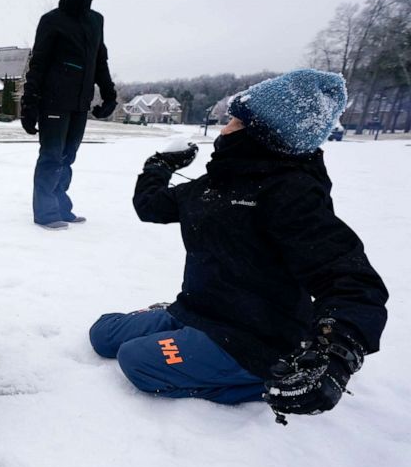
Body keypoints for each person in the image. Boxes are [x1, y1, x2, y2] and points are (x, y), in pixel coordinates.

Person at [88, 70, 388, 421]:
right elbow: (151, 206)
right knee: (103, 334)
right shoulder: (215, 185)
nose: (224, 129)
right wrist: (159, 166)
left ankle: (266, 378)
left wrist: (335, 355)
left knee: (137, 360)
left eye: (234, 121)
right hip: (198, 311)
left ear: (262, 133)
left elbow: (350, 280)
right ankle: (182, 324)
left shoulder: (292, 195)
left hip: (253, 337)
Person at [21, 0, 118, 230]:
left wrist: (109, 95)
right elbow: (37, 64)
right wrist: (29, 105)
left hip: (80, 103)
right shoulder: (51, 20)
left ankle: (61, 206)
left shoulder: (96, 20)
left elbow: (100, 59)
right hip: (53, 102)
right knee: (51, 156)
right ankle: (46, 212)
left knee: (68, 157)